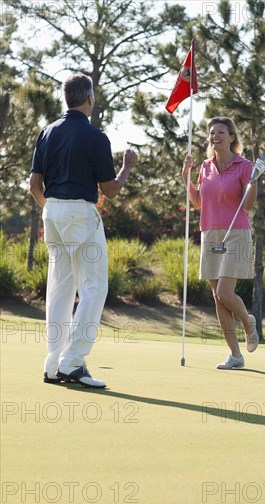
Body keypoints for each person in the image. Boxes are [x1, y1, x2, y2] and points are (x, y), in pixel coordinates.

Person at [29, 73, 138, 388]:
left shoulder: (46, 133)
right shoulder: (95, 137)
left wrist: (51, 208)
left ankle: (54, 364)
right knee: (94, 288)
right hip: (79, 211)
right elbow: (110, 190)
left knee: (60, 289)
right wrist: (127, 167)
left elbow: (34, 185)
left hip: (52, 212)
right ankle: (73, 361)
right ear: (89, 99)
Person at [182, 116, 261, 370]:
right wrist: (186, 177)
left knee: (225, 293)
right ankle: (235, 355)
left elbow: (248, 205)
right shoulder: (205, 166)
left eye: (220, 132)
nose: (215, 136)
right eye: (212, 133)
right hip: (210, 233)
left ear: (231, 137)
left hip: (236, 232)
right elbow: (197, 203)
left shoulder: (244, 165)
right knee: (217, 298)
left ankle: (249, 324)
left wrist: (254, 181)